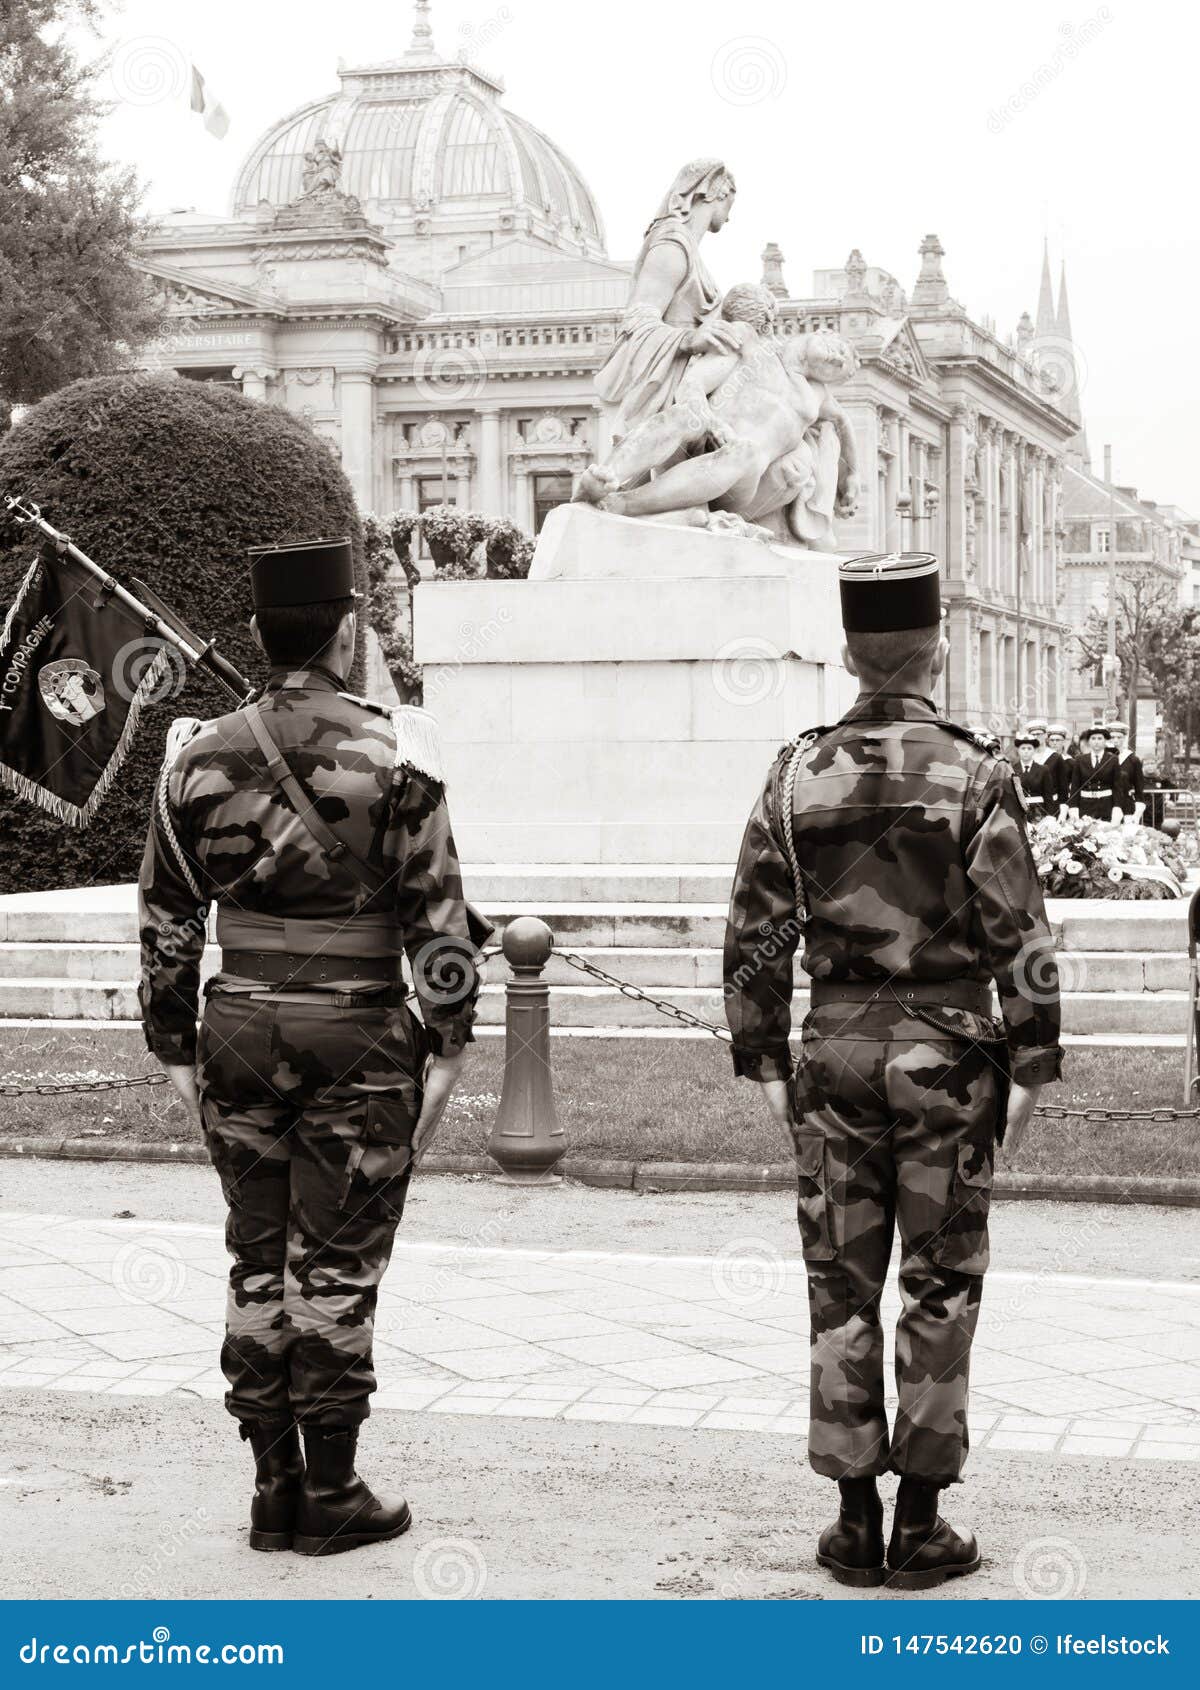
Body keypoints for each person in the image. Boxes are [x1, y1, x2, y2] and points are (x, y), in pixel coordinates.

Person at [138, 536, 492, 1557]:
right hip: (358, 1031)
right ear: (347, 631)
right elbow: (440, 921)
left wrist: (173, 1041)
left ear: (258, 632)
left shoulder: (196, 758)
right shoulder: (397, 758)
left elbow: (165, 917)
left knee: (257, 1255)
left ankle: (271, 1485)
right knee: (333, 1260)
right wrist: (453, 1041)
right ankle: (332, 1490)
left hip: (239, 1024)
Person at [724, 551, 1062, 1591]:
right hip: (949, 1057)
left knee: (839, 1283)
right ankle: (921, 1519)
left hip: (834, 1050)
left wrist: (763, 1054)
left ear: (846, 655)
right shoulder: (976, 772)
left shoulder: (794, 772)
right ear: (937, 651)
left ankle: (850, 1518)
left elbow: (752, 933)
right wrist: (1035, 1058)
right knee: (940, 1280)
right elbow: (1023, 939)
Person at [576, 284, 859, 547]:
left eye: (840, 368)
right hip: (701, 445)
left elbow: (843, 424)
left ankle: (623, 504)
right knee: (685, 414)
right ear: (821, 333)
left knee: (745, 450)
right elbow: (692, 385)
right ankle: (606, 476)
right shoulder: (751, 344)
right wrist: (711, 422)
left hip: (743, 480)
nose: (837, 360)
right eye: (840, 351)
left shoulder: (816, 396)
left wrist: (852, 475)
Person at [594, 158, 739, 435]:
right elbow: (638, 321)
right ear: (714, 194)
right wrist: (687, 339)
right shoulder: (672, 246)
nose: (730, 217)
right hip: (669, 396)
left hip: (690, 386)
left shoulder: (690, 252)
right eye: (729, 205)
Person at [1070, 724, 1122, 821]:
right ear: (1089, 741)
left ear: (1105, 741)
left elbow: (1117, 786)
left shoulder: (1113, 760)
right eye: (1093, 738)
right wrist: (1073, 807)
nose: (1096, 742)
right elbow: (1075, 786)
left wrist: (1117, 807)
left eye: (1099, 738)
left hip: (1106, 805)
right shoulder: (1080, 760)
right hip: (1085, 805)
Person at [1106, 720, 1146, 822]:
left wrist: (1137, 814)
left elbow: (1139, 788)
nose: (1115, 740)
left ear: (1124, 738)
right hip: (1105, 803)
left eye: (1119, 737)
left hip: (1125, 804)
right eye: (1112, 737)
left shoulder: (1132, 760)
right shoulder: (1102, 758)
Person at [1012, 730, 1053, 818]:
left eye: (1029, 748)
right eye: (1023, 748)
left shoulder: (1043, 769)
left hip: (1039, 812)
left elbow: (1048, 796)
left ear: (1034, 750)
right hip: (1019, 812)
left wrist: (1050, 817)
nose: (1026, 751)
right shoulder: (1012, 770)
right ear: (1018, 751)